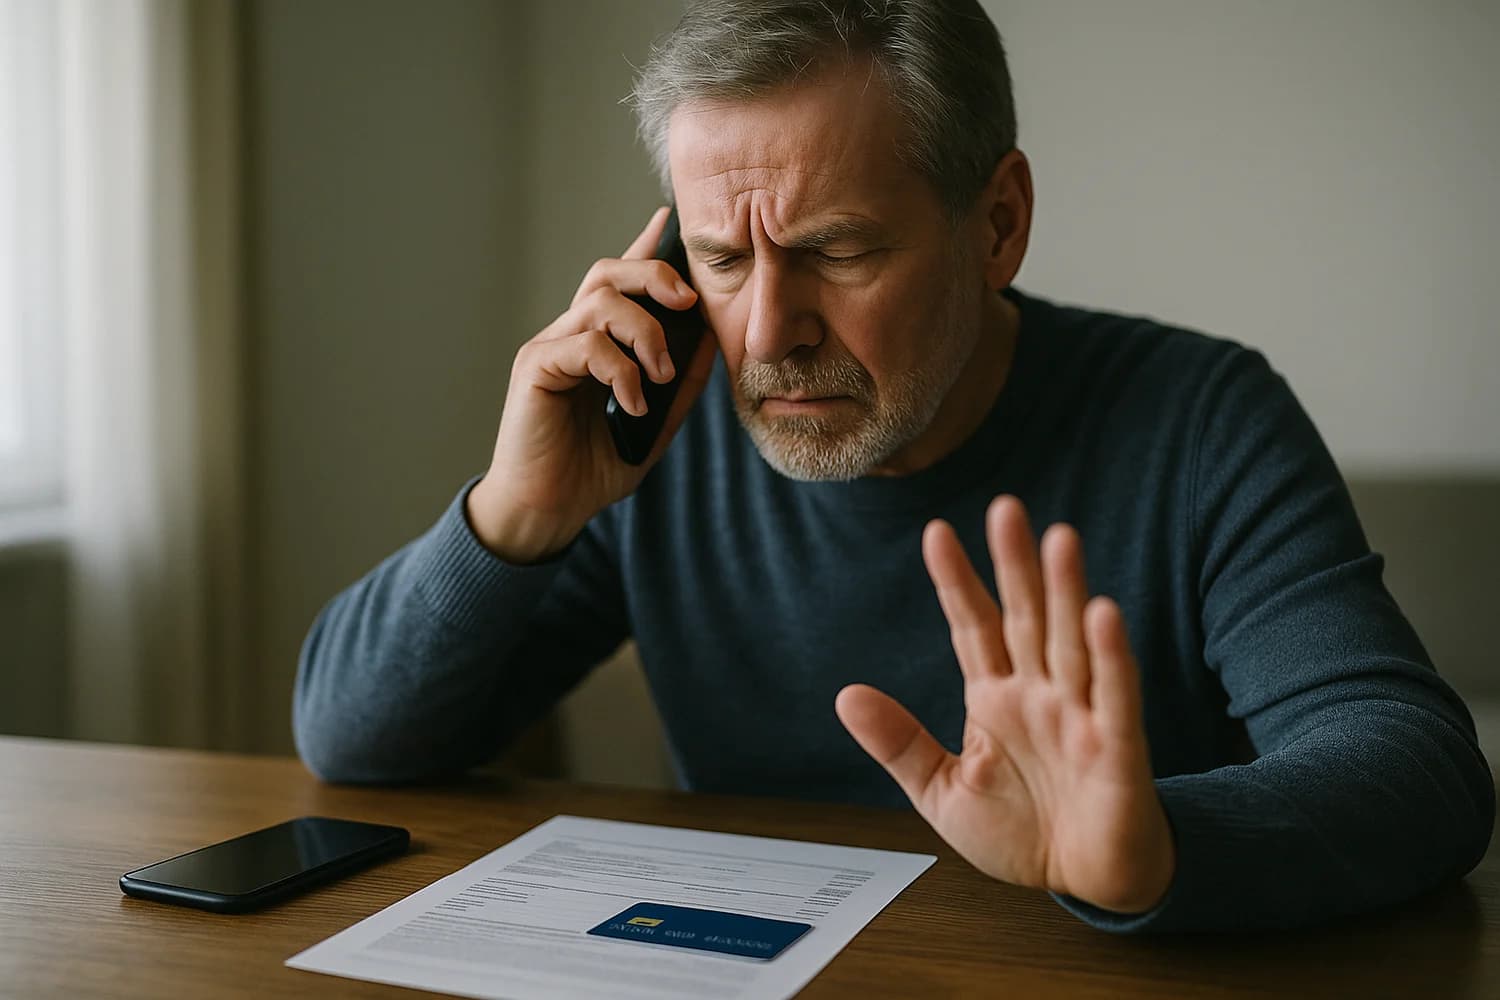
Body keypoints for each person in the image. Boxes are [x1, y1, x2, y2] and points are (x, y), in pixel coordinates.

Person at [293, 0, 1493, 932]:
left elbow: (1417, 768)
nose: (767, 332)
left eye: (836, 250)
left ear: (998, 225)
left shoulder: (1200, 418)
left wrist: (1151, 847)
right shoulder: (661, 427)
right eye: (720, 257)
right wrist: (515, 514)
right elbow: (350, 743)